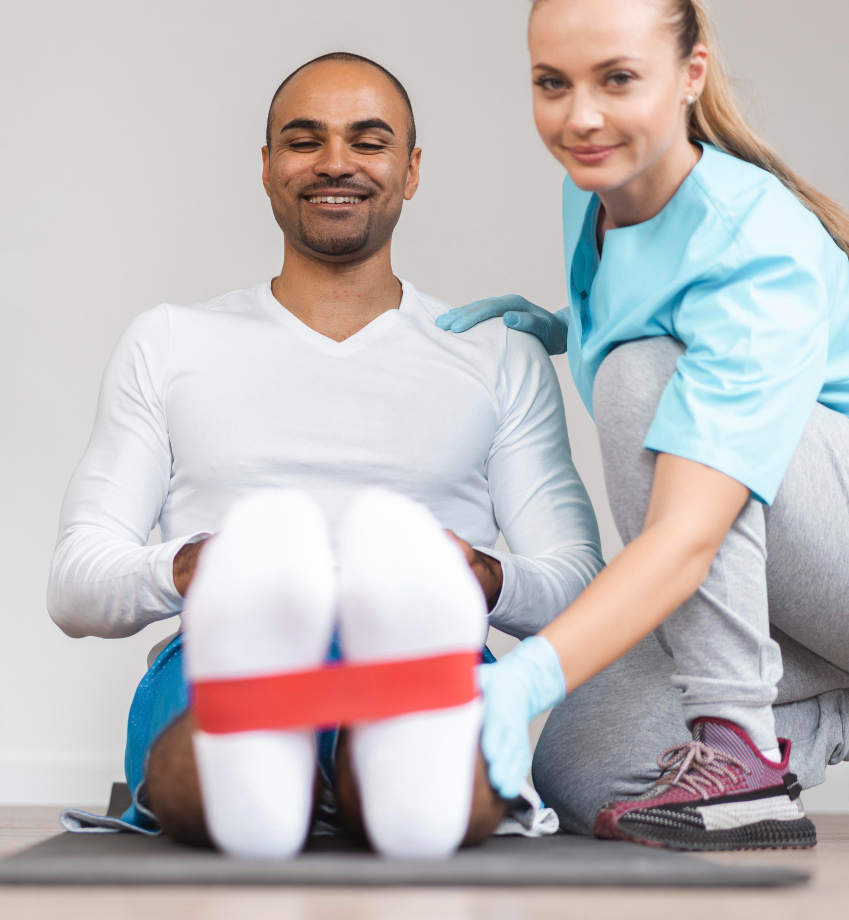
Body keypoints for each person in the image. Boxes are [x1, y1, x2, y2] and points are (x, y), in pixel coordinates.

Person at [438, 0, 849, 850]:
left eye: (617, 79)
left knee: (640, 376)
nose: (580, 116)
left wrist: (524, 676)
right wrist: (563, 321)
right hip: (776, 574)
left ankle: (743, 753)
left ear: (690, 74)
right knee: (584, 771)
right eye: (552, 83)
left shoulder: (757, 247)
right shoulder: (600, 186)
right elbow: (664, 298)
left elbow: (687, 531)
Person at [49, 52, 603, 859]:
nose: (335, 162)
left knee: (441, 755)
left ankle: (341, 759)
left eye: (367, 141)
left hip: (431, 638)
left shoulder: (495, 354)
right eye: (304, 140)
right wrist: (191, 568)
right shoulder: (170, 341)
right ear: (268, 168)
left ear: (411, 171)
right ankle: (288, 741)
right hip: (220, 643)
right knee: (201, 746)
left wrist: (486, 578)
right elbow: (75, 584)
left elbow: (578, 586)